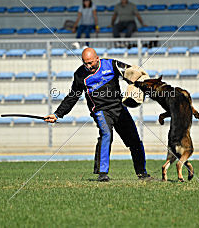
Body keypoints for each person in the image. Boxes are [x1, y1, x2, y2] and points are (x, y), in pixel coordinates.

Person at [45, 48, 151, 182]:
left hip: (119, 108)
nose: (88, 66)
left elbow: (131, 72)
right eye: (85, 63)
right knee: (106, 135)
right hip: (100, 110)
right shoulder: (80, 74)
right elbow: (73, 96)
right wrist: (57, 114)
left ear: (97, 58)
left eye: (90, 63)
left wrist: (138, 84)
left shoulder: (112, 65)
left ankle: (142, 173)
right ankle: (102, 174)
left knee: (134, 140)